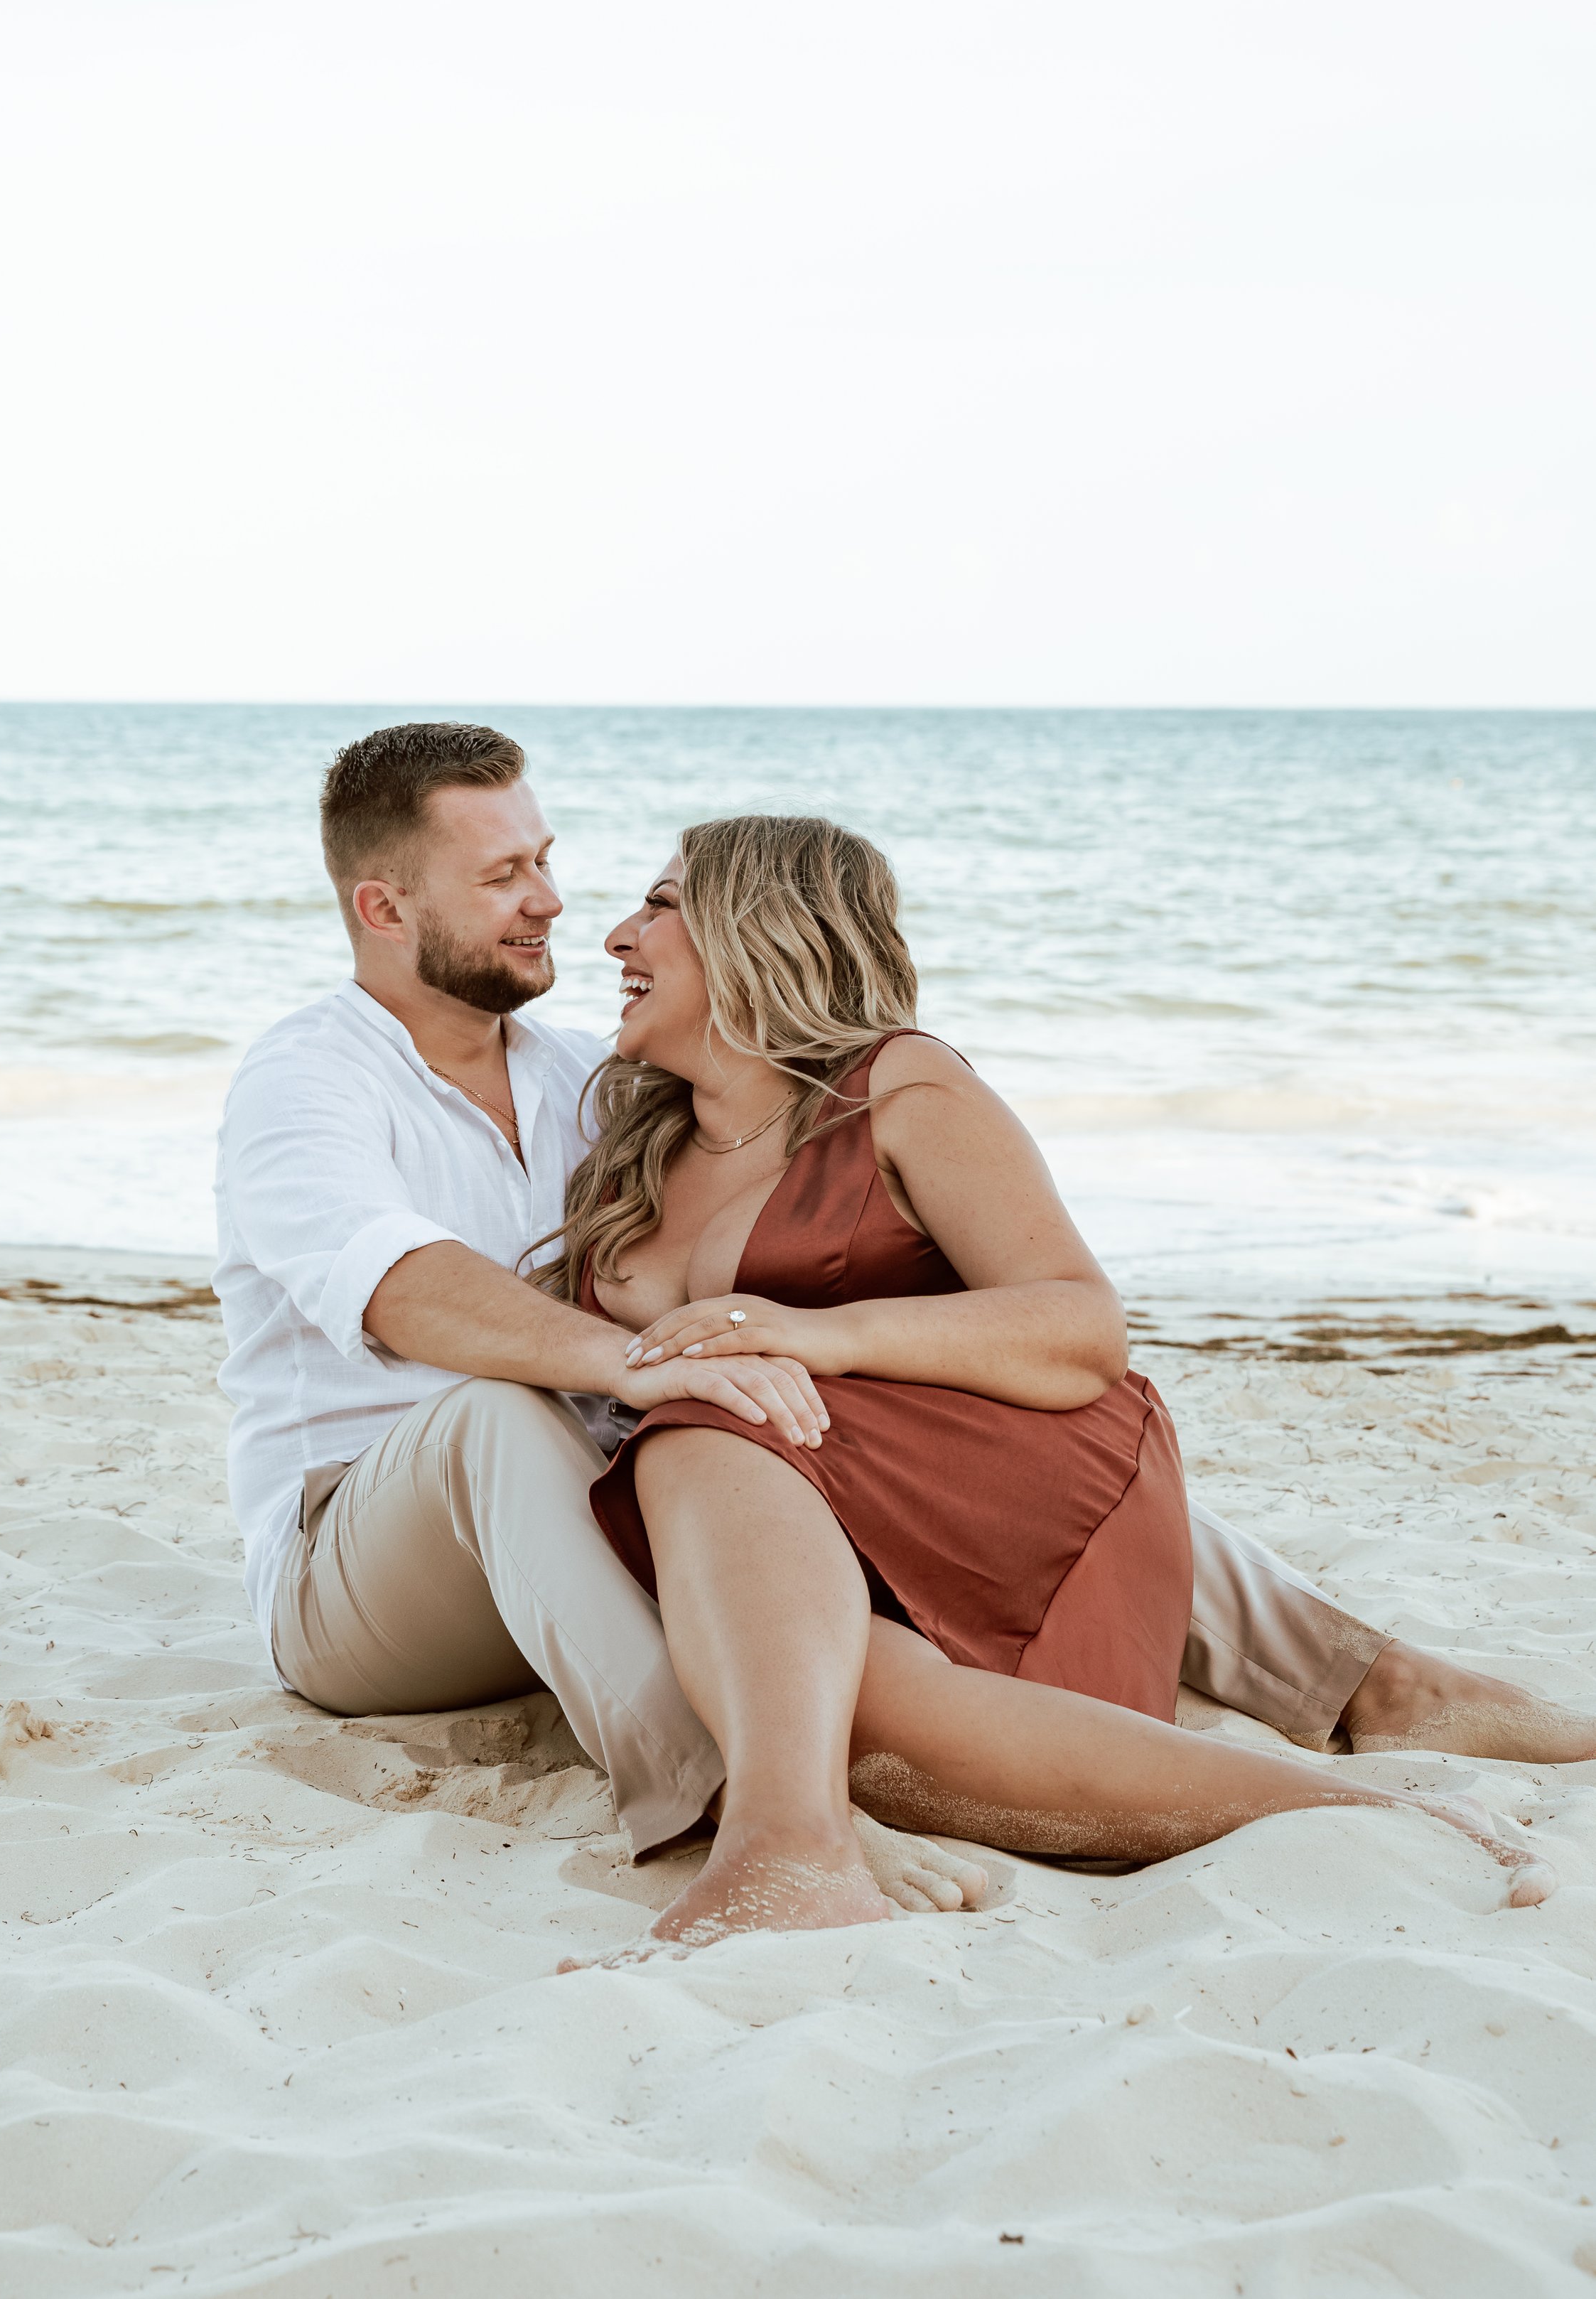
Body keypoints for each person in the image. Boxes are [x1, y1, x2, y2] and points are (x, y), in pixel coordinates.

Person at [213, 724, 1586, 1927]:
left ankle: (1356, 1709)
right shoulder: (307, 1081)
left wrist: (822, 1318)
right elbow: (404, 1286)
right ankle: (744, 1809)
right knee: (509, 1415)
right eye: (504, 875)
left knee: (852, 1566)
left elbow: (859, 1214)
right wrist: (656, 1361)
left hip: (604, 1513)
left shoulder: (601, 1087)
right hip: (366, 1556)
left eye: (549, 859)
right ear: (385, 905)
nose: (557, 904)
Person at [554, 814, 1565, 1942]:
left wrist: (812, 1335)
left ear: (763, 927)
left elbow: (1084, 1324)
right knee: (819, 1705)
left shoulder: (899, 1086)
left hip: (993, 1496)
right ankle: (1383, 1816)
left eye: (659, 903)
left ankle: (785, 1843)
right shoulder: (633, 1144)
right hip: (788, 1538)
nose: (617, 935)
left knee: (707, 1425)